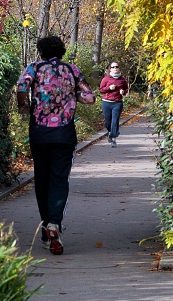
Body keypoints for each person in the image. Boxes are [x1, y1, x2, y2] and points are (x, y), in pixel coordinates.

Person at [16, 36, 96, 255]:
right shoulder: (72, 70)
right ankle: (54, 223)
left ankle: (45, 229)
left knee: (42, 179)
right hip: (64, 133)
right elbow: (89, 98)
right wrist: (71, 95)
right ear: (62, 51)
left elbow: (22, 88)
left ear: (41, 51)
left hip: (39, 132)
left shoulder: (34, 67)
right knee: (59, 179)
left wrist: (23, 105)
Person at [99, 62, 128, 148]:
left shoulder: (122, 79)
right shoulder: (106, 79)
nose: (115, 68)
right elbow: (101, 90)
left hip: (117, 103)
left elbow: (126, 89)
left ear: (119, 68)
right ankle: (110, 132)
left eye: (117, 67)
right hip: (106, 102)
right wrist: (109, 88)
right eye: (113, 67)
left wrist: (123, 92)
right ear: (110, 69)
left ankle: (114, 138)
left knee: (115, 120)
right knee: (108, 122)